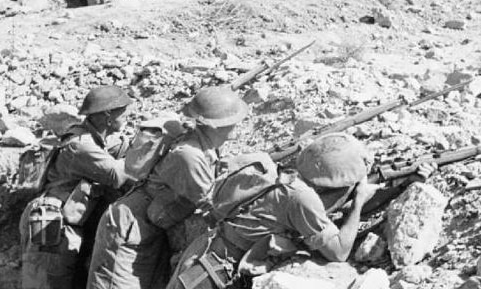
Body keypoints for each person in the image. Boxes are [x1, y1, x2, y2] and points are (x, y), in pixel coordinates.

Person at [166, 132, 436, 289]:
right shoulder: (302, 198)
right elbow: (340, 251)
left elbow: (328, 213)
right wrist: (358, 202)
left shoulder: (288, 176)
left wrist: (403, 184)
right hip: (210, 276)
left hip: (203, 254)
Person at [86, 86, 249, 289]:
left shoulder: (204, 146)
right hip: (128, 227)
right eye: (231, 122)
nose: (236, 127)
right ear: (215, 125)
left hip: (152, 226)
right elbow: (212, 205)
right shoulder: (189, 155)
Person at [19, 86, 135, 289]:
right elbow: (116, 176)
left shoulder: (94, 139)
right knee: (47, 282)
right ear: (107, 114)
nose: (128, 116)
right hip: (51, 222)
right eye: (123, 111)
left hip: (66, 221)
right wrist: (144, 154)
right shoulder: (81, 144)